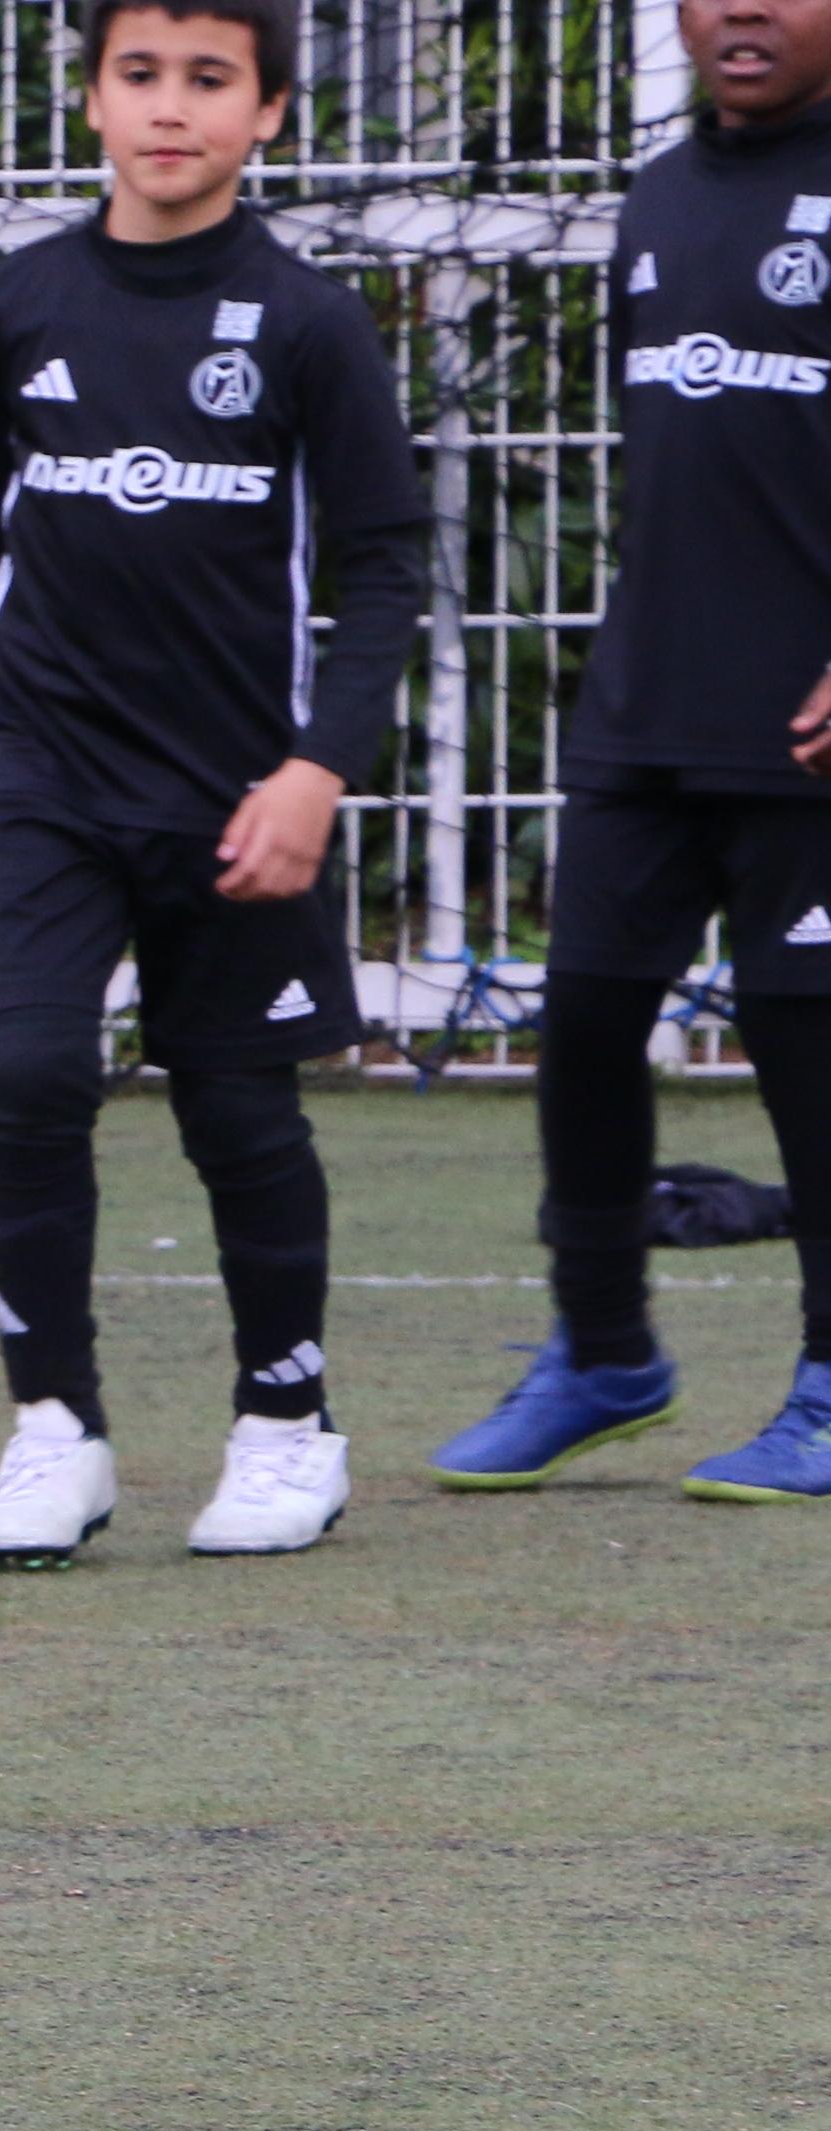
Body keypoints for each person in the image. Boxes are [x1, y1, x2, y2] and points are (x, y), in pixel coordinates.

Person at [0, 0, 431, 1563]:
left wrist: (318, 769)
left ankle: (287, 1426)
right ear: (90, 98)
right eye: (139, 74)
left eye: (211, 80)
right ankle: (53, 1432)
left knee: (237, 1109)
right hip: (45, 776)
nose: (170, 108)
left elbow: (385, 563)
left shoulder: (307, 322)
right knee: (31, 1077)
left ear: (266, 112)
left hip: (232, 795)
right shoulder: (13, 306)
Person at [430, 0, 831, 1498]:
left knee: (808, 1058)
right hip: (649, 707)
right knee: (588, 1025)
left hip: (810, 733)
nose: (742, 8)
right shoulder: (657, 194)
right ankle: (604, 1353)